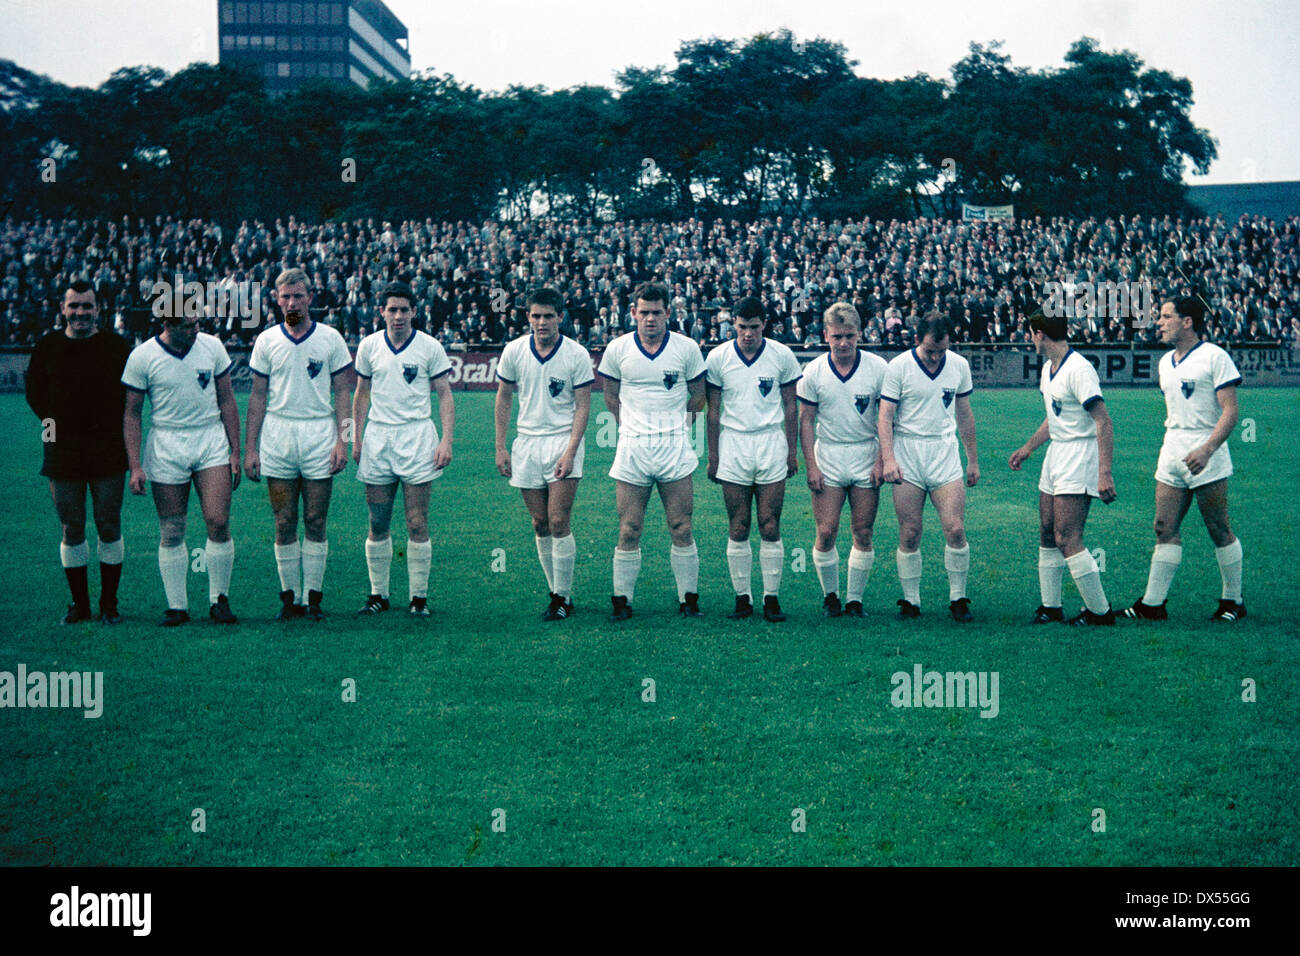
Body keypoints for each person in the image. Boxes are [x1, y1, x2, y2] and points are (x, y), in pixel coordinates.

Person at [1121, 297, 1245, 621]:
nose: (1158, 322)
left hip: (1207, 451)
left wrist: (1207, 450)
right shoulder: (1164, 363)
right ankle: (1153, 603)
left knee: (1218, 528)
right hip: (1172, 448)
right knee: (1163, 527)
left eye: (1166, 316)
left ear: (1187, 321)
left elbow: (1231, 412)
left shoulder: (1215, 357)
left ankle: (1233, 601)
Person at [244, 268, 353, 621]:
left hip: (319, 436)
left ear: (310, 297)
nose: (292, 302)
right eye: (286, 296)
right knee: (283, 520)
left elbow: (342, 392)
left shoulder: (331, 339)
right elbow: (257, 397)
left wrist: (343, 440)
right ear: (277, 299)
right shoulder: (266, 341)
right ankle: (289, 598)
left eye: (298, 296)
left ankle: (313, 597)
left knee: (315, 518)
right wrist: (251, 448)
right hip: (278, 438)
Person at [122, 309, 241, 626]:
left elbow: (227, 400)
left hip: (210, 439)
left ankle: (219, 600)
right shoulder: (142, 356)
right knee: (172, 529)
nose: (195, 330)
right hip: (166, 443)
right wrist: (135, 465)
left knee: (218, 521)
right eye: (187, 326)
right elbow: (132, 413)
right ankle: (177, 606)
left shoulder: (212, 347)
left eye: (197, 323)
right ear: (167, 325)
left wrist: (236, 451)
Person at [597, 281, 707, 620]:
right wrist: (631, 428)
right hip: (633, 448)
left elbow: (699, 395)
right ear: (633, 313)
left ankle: (689, 599)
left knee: (681, 527)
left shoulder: (686, 348)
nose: (650, 319)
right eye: (643, 312)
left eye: (657, 312)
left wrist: (677, 429)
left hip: (674, 447)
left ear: (668, 314)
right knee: (629, 527)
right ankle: (622, 600)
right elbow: (610, 396)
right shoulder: (617, 349)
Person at [25, 278, 131, 624]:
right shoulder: (47, 347)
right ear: (63, 309)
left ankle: (109, 604)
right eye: (74, 305)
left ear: (98, 309)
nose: (80, 312)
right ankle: (79, 604)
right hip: (63, 451)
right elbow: (36, 398)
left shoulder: (117, 347)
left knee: (108, 522)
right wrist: (51, 437)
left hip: (107, 448)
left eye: (87, 305)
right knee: (72, 526)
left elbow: (128, 399)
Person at [351, 282, 454, 617]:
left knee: (416, 522)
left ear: (414, 311)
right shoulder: (369, 347)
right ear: (382, 311)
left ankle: (418, 598)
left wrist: (446, 440)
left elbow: (444, 394)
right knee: (377, 521)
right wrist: (356, 437)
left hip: (417, 438)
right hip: (379, 438)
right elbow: (361, 394)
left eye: (404, 309)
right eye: (392, 309)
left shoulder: (429, 347)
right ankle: (378, 595)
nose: (398, 316)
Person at [1009, 310, 1117, 626]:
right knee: (1046, 531)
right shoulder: (1048, 369)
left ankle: (1100, 612)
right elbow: (1055, 417)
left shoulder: (1080, 369)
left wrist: (1104, 471)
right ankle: (1051, 606)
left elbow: (1103, 421)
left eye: (1031, 333)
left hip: (1079, 455)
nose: (1030, 339)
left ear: (1040, 334)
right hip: (1056, 454)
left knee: (1067, 536)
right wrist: (1029, 447)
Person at [495, 287, 593, 621]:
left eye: (548, 316)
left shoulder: (576, 354)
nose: (541, 322)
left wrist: (571, 450)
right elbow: (505, 397)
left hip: (561, 442)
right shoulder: (514, 351)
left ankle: (562, 598)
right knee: (539, 523)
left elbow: (583, 406)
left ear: (560, 317)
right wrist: (500, 446)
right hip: (527, 443)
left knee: (558, 520)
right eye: (535, 316)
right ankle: (557, 592)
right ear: (528, 318)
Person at [877, 314, 979, 621]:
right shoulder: (898, 367)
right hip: (908, 452)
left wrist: (972, 459)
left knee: (956, 528)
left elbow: (964, 413)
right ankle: (911, 601)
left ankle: (959, 598)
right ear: (917, 340)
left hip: (944, 452)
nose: (935, 357)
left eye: (941, 351)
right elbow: (885, 416)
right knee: (910, 532)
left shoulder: (959, 365)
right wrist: (889, 458)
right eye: (929, 351)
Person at [705, 296, 801, 621]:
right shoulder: (718, 358)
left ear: (765, 325)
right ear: (733, 323)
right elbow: (713, 410)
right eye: (742, 327)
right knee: (739, 523)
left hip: (770, 442)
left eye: (754, 327)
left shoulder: (781, 355)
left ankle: (771, 599)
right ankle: (742, 597)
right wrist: (713, 456)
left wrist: (792, 450)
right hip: (733, 444)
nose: (748, 334)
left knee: (770, 524)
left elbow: (791, 406)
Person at [797, 303, 889, 618]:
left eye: (850, 335)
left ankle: (854, 600)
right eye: (837, 336)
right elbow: (805, 420)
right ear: (826, 335)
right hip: (830, 455)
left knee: (863, 531)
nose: (844, 343)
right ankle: (830, 597)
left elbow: (888, 419)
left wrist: (881, 459)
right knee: (826, 531)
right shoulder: (814, 371)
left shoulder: (878, 368)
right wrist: (811, 465)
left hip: (866, 452)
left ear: (860, 334)